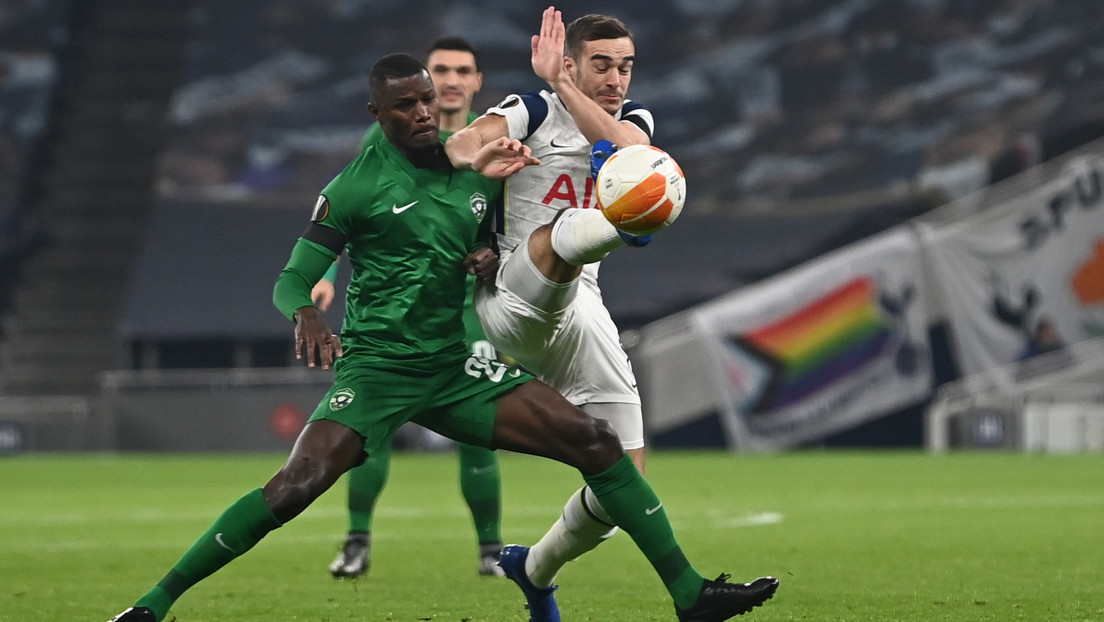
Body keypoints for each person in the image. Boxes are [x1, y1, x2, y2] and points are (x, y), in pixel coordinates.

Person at [106, 52, 777, 622]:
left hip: (452, 368)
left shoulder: (478, 178)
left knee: (596, 443)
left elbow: (485, 246)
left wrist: (488, 257)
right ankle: (152, 606)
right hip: (377, 370)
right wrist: (305, 314)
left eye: (427, 100)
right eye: (404, 106)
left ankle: (690, 595)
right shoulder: (355, 188)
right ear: (379, 115)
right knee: (296, 486)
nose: (422, 112)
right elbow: (292, 277)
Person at [445, 7, 706, 618]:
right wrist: (485, 154)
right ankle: (619, 228)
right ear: (570, 62)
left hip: (579, 307)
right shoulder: (530, 110)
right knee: (565, 231)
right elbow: (457, 144)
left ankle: (533, 569)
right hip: (512, 291)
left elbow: (635, 152)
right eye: (601, 65)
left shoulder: (631, 123)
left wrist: (566, 84)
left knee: (624, 489)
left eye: (626, 66)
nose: (617, 79)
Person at [317, 36, 509, 580]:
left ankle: (490, 549)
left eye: (461, 71)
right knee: (368, 430)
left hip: (468, 309)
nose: (449, 80)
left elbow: (508, 226)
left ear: (475, 83)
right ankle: (357, 540)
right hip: (394, 313)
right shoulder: (379, 142)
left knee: (481, 430)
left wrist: (493, 253)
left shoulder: (490, 140)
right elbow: (342, 212)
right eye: (440, 69)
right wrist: (326, 277)